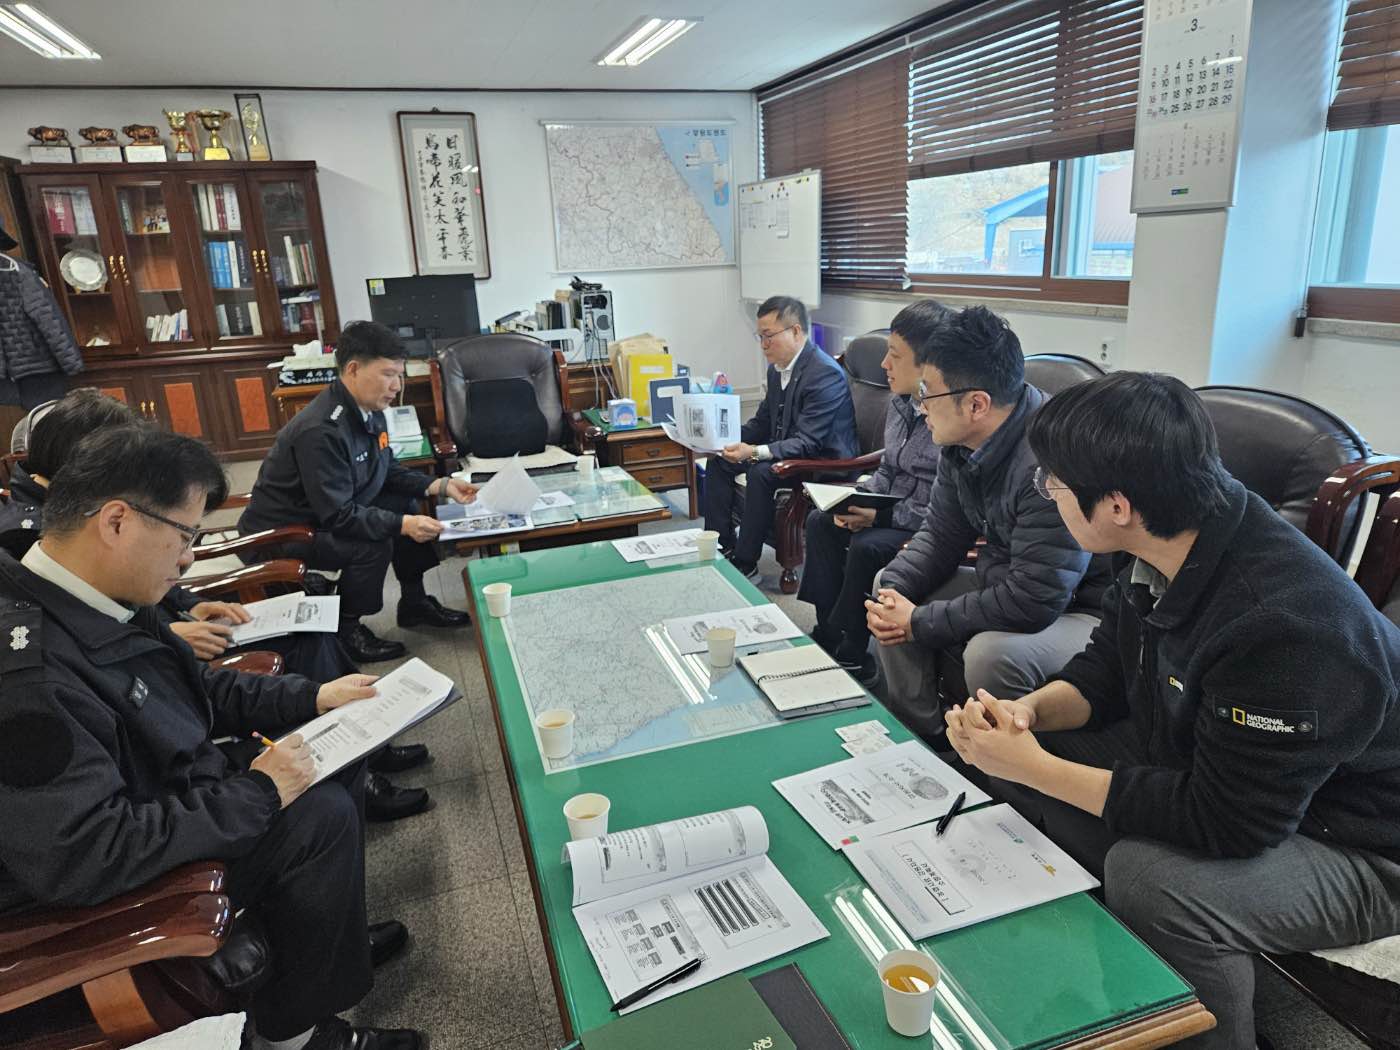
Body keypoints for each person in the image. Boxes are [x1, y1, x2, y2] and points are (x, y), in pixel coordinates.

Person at [944, 372, 1400, 1049]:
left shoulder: (1284, 627)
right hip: (1228, 771)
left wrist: (1032, 767)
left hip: (1361, 841)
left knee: (1152, 881)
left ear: (1117, 505)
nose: (1046, 492)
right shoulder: (1164, 538)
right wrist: (1025, 720)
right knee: (1026, 761)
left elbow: (1231, 822)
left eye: (1054, 483)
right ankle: (1124, 974)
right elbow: (1105, 672)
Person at [0, 424, 423, 1050]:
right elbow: (87, 852)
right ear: (116, 521)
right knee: (319, 816)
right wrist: (259, 793)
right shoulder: (26, 677)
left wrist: (313, 697)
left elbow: (194, 686)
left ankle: (321, 945)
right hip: (103, 873)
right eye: (185, 535)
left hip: (164, 792)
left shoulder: (91, 589)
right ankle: (294, 1038)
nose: (189, 559)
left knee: (333, 748)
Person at [0, 390, 432, 822]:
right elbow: (91, 834)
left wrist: (188, 607)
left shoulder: (101, 561)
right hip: (170, 800)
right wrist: (257, 790)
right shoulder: (41, 573)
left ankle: (366, 751)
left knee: (314, 669)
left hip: (182, 752)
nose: (186, 557)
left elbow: (179, 670)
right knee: (324, 804)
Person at [866, 306, 1108, 742]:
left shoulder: (1051, 462)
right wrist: (895, 596)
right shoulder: (960, 442)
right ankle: (924, 736)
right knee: (889, 584)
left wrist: (919, 620)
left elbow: (1036, 598)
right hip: (1008, 580)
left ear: (976, 404)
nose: (920, 407)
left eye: (927, 394)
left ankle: (1006, 767)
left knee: (989, 654)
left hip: (1084, 609)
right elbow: (940, 535)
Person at [239, 321, 477, 663]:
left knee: (404, 503)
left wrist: (440, 485)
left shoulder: (368, 409)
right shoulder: (321, 430)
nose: (397, 386)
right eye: (388, 374)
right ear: (353, 369)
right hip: (280, 533)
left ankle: (414, 602)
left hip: (323, 514)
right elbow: (338, 515)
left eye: (399, 375)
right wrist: (402, 525)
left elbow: (386, 469)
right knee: (374, 541)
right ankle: (348, 627)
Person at [799, 301, 946, 683]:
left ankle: (853, 649)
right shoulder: (901, 404)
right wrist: (856, 500)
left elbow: (942, 507)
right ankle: (828, 630)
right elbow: (888, 468)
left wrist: (878, 516)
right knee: (821, 521)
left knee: (868, 545)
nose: (884, 364)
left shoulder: (949, 417)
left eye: (894, 355)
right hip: (888, 507)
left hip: (921, 523)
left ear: (929, 363)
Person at [702, 296, 857, 582]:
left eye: (768, 336)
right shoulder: (777, 371)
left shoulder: (824, 373)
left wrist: (753, 452)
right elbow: (762, 423)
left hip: (822, 462)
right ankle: (723, 546)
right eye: (760, 336)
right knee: (719, 462)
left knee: (761, 472)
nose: (763, 345)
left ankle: (747, 562)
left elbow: (809, 443)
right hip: (789, 452)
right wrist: (720, 441)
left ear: (795, 331)